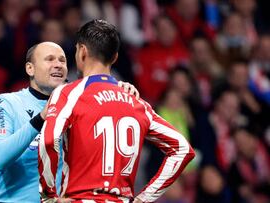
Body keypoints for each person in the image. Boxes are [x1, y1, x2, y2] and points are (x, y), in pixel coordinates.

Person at [38, 19, 195, 202]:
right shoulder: (136, 102)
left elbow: (48, 141)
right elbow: (183, 149)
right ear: (115, 58)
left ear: (82, 51)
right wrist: (144, 198)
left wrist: (49, 197)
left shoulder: (68, 93)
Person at [0, 41, 139, 202]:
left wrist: (119, 93)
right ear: (30, 68)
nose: (58, 65)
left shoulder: (79, 103)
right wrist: (41, 118)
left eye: (62, 60)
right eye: (50, 59)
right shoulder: (7, 103)